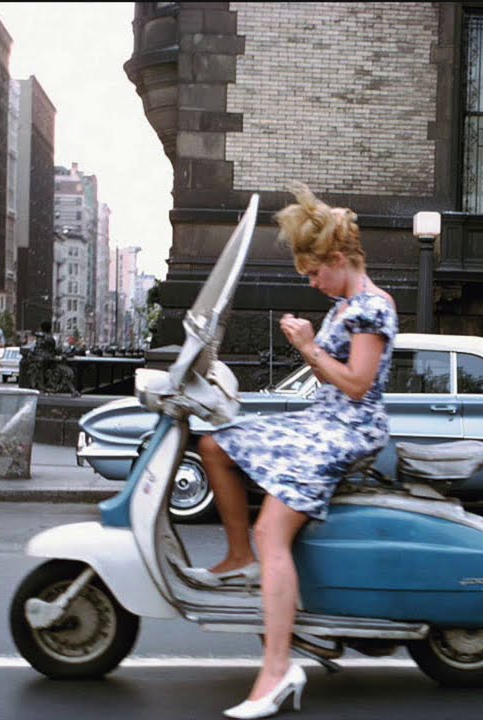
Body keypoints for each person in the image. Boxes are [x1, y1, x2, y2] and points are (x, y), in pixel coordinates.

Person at [183, 184, 398, 719]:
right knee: (215, 442)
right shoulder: (347, 302)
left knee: (271, 531)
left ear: (339, 260)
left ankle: (278, 669)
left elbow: (356, 385)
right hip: (321, 422)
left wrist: (306, 345)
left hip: (345, 431)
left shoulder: (372, 308)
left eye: (313, 272)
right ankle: (239, 560)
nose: (311, 282)